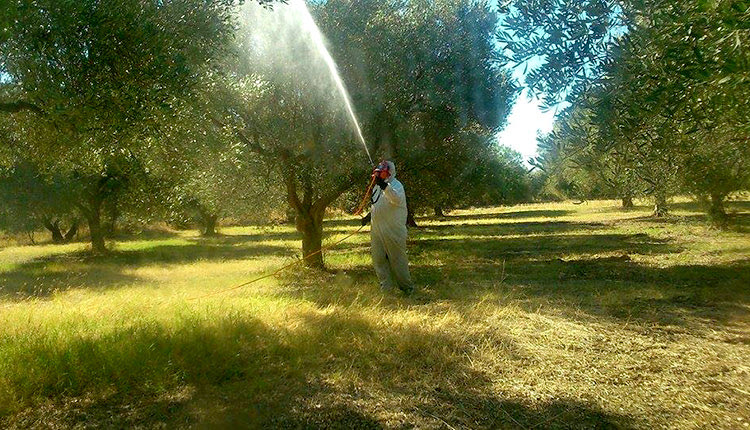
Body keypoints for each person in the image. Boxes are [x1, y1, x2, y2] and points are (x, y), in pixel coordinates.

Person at [361, 160, 414, 295]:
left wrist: (384, 186)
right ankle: (386, 288)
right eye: (378, 173)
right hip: (377, 230)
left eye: (382, 173)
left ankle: (407, 288)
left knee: (397, 259)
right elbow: (378, 203)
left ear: (389, 172)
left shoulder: (397, 186)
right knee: (378, 259)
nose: (380, 175)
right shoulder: (376, 188)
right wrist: (369, 215)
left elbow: (396, 199)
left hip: (393, 231)